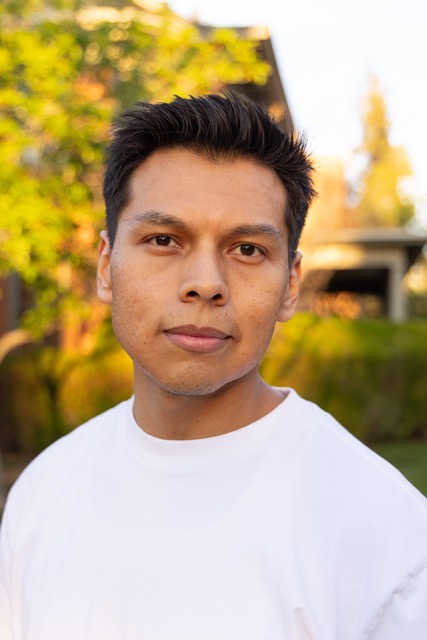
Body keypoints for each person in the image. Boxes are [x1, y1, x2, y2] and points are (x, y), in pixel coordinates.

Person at [0, 93, 426, 640]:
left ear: (290, 286)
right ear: (107, 268)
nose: (206, 282)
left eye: (247, 249)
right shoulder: (42, 493)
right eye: (163, 240)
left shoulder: (384, 533)